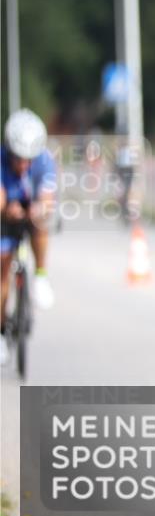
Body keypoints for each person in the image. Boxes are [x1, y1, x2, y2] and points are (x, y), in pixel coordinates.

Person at [1, 110, 57, 364]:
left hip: (30, 212)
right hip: (5, 214)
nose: (24, 165)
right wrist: (7, 210)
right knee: (3, 268)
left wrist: (38, 210)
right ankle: (1, 331)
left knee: (42, 222)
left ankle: (41, 276)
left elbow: (47, 199)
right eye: (18, 159)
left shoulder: (44, 161)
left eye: (28, 160)